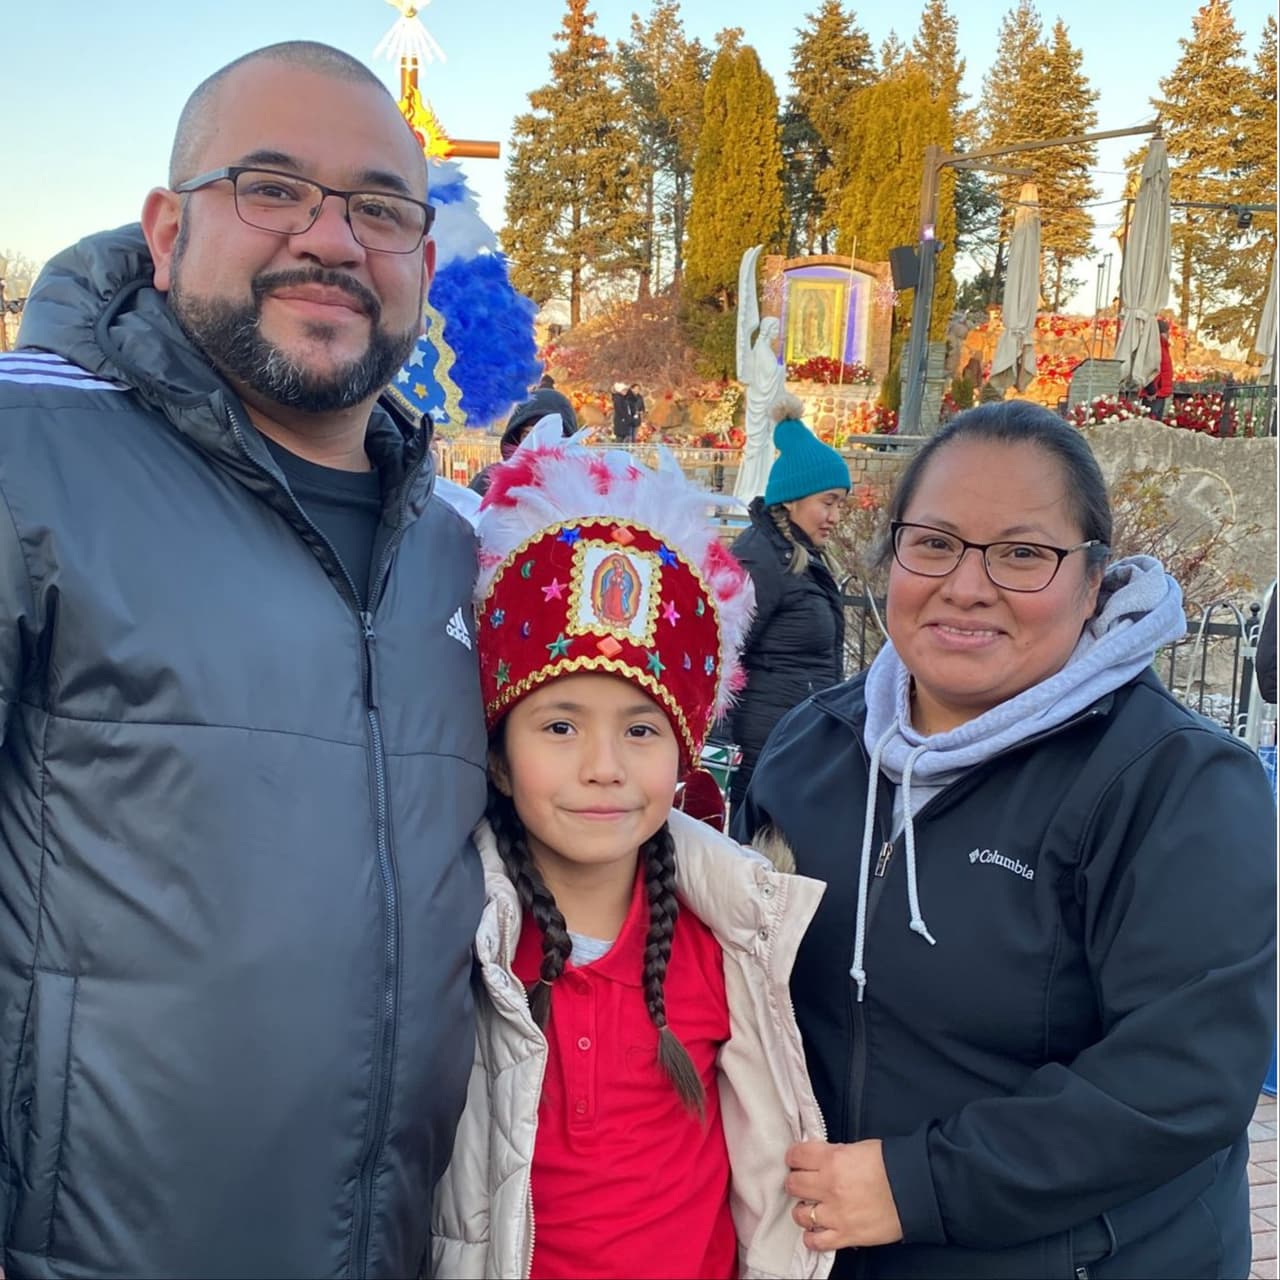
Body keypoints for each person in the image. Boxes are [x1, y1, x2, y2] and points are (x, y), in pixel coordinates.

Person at [0, 41, 487, 1278]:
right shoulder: (28, 459)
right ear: (167, 228)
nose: (329, 238)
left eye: (378, 207)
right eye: (270, 187)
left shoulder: (452, 547)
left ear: (422, 262)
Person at [733, 402, 1277, 1278]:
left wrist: (915, 1186)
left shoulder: (1174, 782)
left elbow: (1183, 1079)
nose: (967, 585)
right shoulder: (811, 750)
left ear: (1094, 579)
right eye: (935, 542)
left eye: (1023, 553)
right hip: (825, 1251)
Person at [430, 422, 833, 1280]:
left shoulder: (731, 939)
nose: (604, 768)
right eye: (561, 725)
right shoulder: (460, 945)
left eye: (642, 729)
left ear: (684, 754)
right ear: (499, 756)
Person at [727, 393, 849, 814]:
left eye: (840, 504)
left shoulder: (799, 556)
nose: (835, 516)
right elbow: (725, 650)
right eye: (827, 502)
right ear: (793, 499)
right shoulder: (762, 557)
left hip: (796, 740)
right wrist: (722, 749)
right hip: (765, 749)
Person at [469, 388, 577, 496]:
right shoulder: (489, 480)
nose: (537, 445)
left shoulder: (580, 487)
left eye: (551, 436)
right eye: (528, 436)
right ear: (517, 437)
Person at [734, 317, 787, 502]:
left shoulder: (763, 349)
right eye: (775, 329)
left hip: (763, 406)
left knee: (764, 449)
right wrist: (782, 370)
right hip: (761, 406)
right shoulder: (763, 351)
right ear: (768, 329)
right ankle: (751, 490)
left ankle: (759, 487)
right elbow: (768, 379)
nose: (777, 333)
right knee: (758, 448)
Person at [1142, 316, 1174, 421]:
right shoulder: (1156, 348)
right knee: (1151, 422)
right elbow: (1148, 368)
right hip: (1154, 394)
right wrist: (1151, 391)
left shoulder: (1163, 347)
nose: (1169, 335)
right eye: (1166, 332)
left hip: (1160, 393)